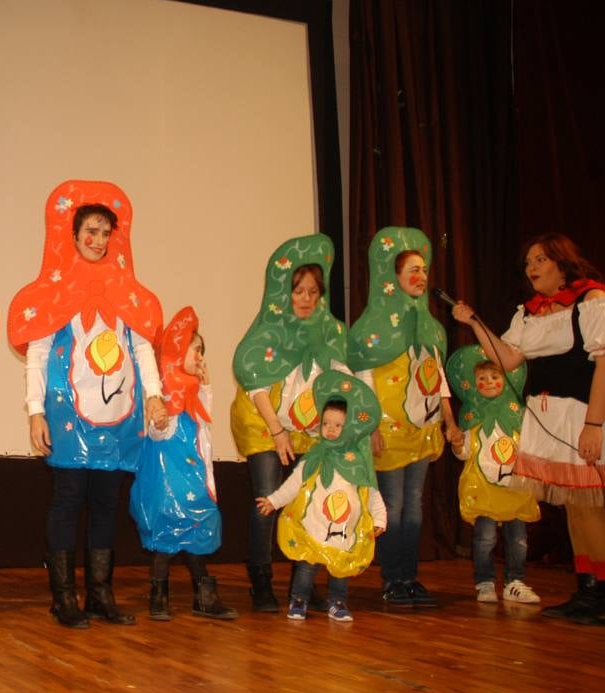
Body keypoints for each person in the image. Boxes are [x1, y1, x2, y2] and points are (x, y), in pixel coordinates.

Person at [9, 181, 165, 628]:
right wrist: (35, 409)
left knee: (105, 503)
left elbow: (142, 348)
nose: (97, 241)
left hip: (119, 417)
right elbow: (37, 354)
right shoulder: (53, 290)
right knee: (68, 498)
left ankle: (100, 593)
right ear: (73, 236)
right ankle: (64, 597)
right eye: (90, 232)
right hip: (67, 415)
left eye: (104, 233)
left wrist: (153, 395)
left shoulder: (126, 289)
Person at [452, 233, 605, 625]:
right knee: (574, 510)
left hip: (584, 416)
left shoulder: (592, 301)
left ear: (563, 263)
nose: (532, 268)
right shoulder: (532, 312)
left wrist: (593, 425)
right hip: (551, 418)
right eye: (528, 262)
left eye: (540, 259)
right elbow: (506, 359)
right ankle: (588, 589)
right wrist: (474, 321)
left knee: (591, 507)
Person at [231, 234, 352, 612]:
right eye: (298, 290)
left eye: (312, 292)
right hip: (264, 419)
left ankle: (304, 580)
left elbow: (344, 379)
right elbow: (257, 386)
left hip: (306, 427)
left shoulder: (329, 332)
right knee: (267, 499)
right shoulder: (270, 330)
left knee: (308, 502)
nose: (304, 299)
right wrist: (277, 431)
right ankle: (261, 578)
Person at [348, 228, 456, 608]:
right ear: (390, 278)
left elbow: (437, 375)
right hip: (388, 430)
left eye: (423, 268)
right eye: (411, 268)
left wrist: (448, 420)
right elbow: (362, 375)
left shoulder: (428, 326)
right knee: (392, 506)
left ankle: (409, 576)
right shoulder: (371, 327)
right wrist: (370, 424)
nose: (420, 276)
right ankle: (392, 577)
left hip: (421, 429)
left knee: (414, 504)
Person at [130, 307, 236, 621]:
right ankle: (158, 596)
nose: (200, 355)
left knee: (198, 533)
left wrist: (204, 384)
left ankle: (204, 597)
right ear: (177, 350)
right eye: (195, 349)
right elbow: (157, 431)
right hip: (168, 482)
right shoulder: (160, 392)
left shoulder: (192, 393)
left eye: (203, 350)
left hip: (193, 480)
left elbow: (204, 418)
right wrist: (161, 419)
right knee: (167, 536)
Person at [256, 373, 386, 622]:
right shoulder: (315, 456)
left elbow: (371, 489)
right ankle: (298, 600)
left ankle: (337, 603)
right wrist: (274, 500)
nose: (331, 429)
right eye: (326, 424)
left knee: (340, 567)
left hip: (343, 527)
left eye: (338, 425)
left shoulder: (358, 460)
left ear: (349, 428)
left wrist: (380, 518)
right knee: (307, 566)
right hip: (314, 523)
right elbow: (295, 482)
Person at [443, 348, 540, 603]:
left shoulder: (517, 413)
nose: (489, 383)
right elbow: (465, 453)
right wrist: (456, 444)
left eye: (494, 377)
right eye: (482, 380)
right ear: (473, 385)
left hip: (515, 488)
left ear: (506, 380)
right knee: (485, 538)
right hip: (485, 489)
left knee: (518, 539)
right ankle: (485, 582)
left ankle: (515, 582)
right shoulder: (471, 415)